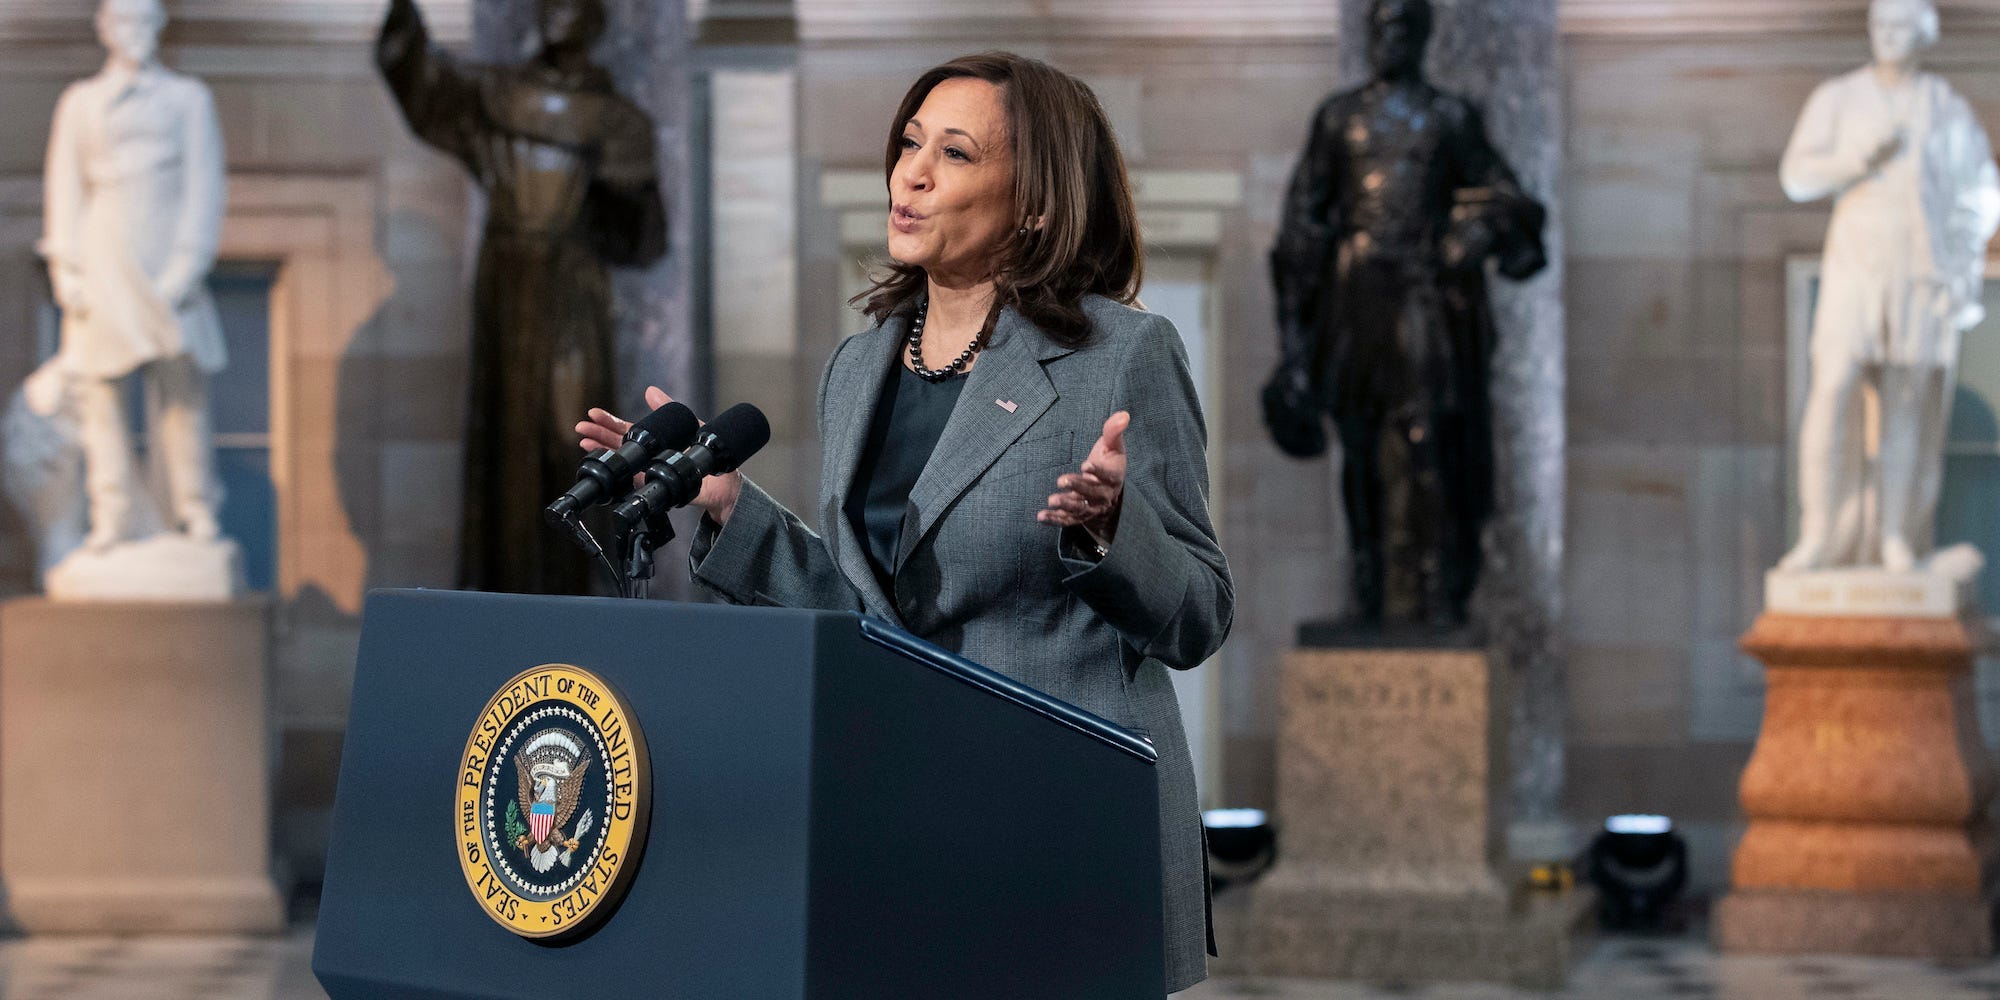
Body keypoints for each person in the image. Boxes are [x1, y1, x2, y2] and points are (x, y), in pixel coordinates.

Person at [579, 52, 1232, 993]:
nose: (911, 173)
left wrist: (1111, 531)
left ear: (1036, 200)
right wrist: (726, 505)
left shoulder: (1121, 355)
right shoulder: (859, 366)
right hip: (909, 816)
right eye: (909, 143)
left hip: (1062, 832)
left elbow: (1201, 613)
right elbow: (871, 612)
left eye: (956, 153)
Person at [1263, 0, 1546, 628]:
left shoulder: (1449, 116)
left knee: (1428, 446)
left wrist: (1480, 230)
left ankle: (1436, 598)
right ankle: (1368, 596)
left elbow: (1511, 200)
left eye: (1402, 27)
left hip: (1422, 297)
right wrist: (1293, 346)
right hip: (1355, 296)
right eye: (1381, 27)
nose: (1390, 38)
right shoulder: (1339, 118)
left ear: (1421, 36)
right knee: (1360, 448)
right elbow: (1301, 229)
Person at [378, 0, 666, 596]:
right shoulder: (494, 94)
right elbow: (418, 82)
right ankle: (505, 592)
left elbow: (641, 238)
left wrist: (621, 193)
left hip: (570, 296)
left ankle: (576, 591)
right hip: (507, 289)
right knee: (503, 446)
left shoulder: (617, 120)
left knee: (569, 437)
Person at [1777, 0, 2000, 573]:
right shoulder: (1840, 97)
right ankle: (1820, 533)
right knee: (1832, 387)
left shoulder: (1946, 108)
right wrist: (1857, 158)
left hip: (1917, 263)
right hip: (1857, 252)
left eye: (1901, 27)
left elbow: (1985, 191)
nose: (1888, 36)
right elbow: (1797, 176)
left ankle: (1898, 538)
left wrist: (1962, 242)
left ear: (1925, 34)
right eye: (1880, 25)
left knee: (1905, 401)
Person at [41, 0, 228, 551]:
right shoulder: (81, 102)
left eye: (146, 19)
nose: (135, 31)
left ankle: (195, 509)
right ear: (104, 28)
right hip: (103, 259)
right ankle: (112, 515)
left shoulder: (188, 100)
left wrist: (184, 270)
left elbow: (205, 191)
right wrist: (66, 268)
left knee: (182, 394)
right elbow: (65, 188)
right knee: (100, 396)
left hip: (167, 262)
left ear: (160, 25)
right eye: (124, 20)